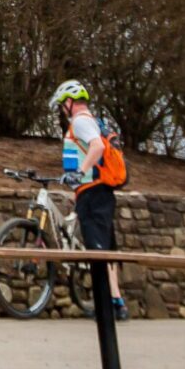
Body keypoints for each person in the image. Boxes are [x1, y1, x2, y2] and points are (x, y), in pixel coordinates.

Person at [53, 79, 127, 321]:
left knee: (97, 251)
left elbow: (96, 148)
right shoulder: (94, 121)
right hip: (99, 193)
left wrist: (79, 171)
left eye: (62, 105)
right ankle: (117, 302)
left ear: (70, 102)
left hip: (93, 192)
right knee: (106, 249)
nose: (62, 110)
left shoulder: (81, 121)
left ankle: (105, 307)